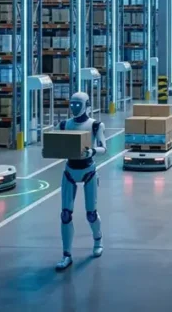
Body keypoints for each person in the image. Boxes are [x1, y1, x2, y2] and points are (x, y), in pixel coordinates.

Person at [56, 92, 106, 271]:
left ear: (86, 104)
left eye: (79, 104)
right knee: (65, 214)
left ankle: (98, 239)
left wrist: (93, 151)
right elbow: (57, 144)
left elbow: (103, 147)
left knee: (91, 213)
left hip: (88, 171)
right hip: (70, 170)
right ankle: (66, 254)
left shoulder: (95, 125)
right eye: (73, 104)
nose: (75, 107)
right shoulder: (65, 125)